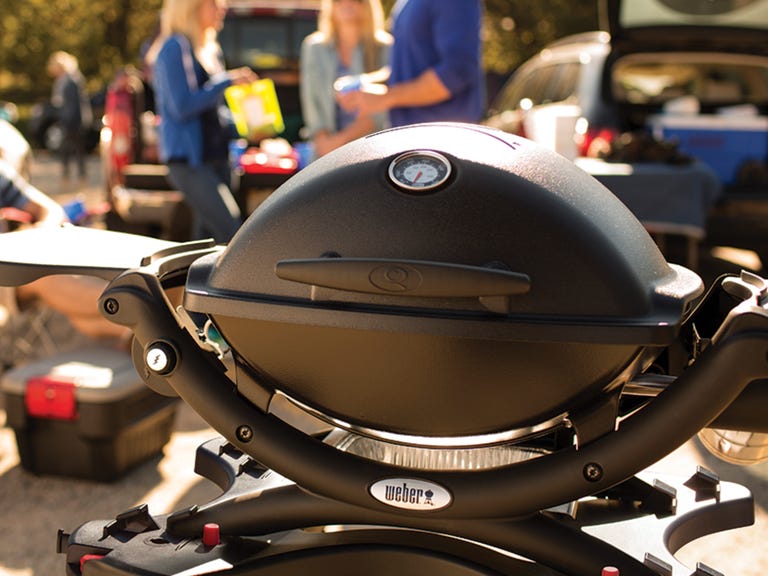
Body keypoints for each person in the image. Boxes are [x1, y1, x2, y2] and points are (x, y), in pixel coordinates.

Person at [149, 0, 257, 243]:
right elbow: (182, 106)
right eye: (214, 4)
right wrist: (227, 81)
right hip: (189, 162)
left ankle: (193, 282)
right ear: (192, 7)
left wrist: (246, 129)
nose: (222, 9)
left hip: (217, 157)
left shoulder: (210, 49)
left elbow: (214, 113)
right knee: (231, 232)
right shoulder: (174, 47)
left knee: (206, 243)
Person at [0, 160, 130, 342]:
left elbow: (51, 210)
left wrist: (39, 233)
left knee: (81, 316)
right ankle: (146, 312)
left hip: (20, 256)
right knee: (46, 278)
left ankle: (146, 333)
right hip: (8, 272)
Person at [337, 0, 484, 128]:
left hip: (442, 142)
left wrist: (386, 97)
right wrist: (367, 84)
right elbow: (409, 69)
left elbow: (458, 70)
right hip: (412, 141)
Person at [299, 0, 392, 158]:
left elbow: (388, 100)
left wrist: (340, 141)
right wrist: (323, 141)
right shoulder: (314, 47)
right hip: (324, 149)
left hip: (372, 147)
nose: (346, 3)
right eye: (338, 0)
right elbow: (310, 98)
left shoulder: (385, 47)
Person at [46, 51, 92, 180]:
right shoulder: (65, 80)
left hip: (73, 121)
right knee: (72, 148)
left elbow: (73, 105)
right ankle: (72, 174)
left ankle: (74, 175)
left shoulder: (71, 81)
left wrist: (67, 121)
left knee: (72, 148)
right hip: (69, 119)